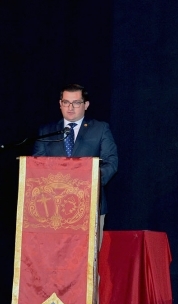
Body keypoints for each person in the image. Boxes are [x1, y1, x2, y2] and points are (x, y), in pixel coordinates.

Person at [33, 84, 119, 229]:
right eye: (66, 102)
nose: (70, 107)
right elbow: (37, 166)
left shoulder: (100, 129)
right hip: (52, 207)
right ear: (60, 104)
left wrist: (91, 180)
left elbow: (111, 162)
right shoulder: (46, 131)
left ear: (86, 105)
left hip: (89, 202)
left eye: (76, 103)